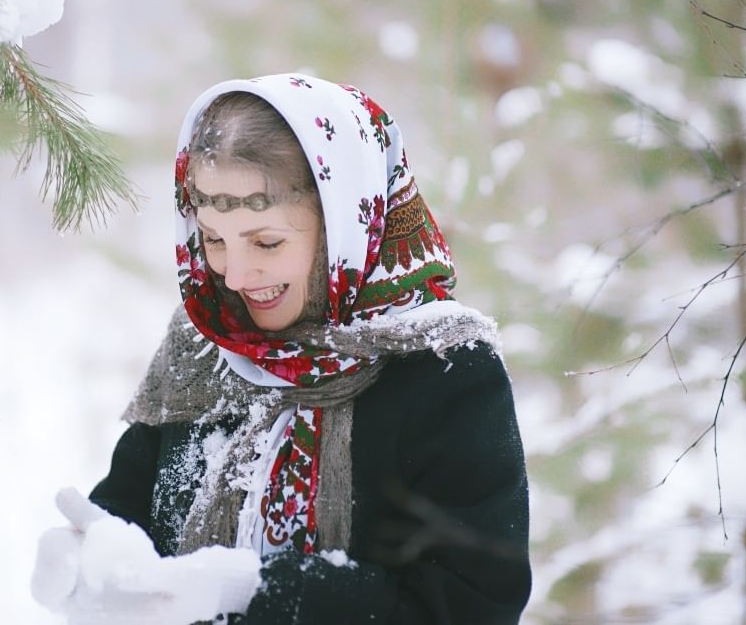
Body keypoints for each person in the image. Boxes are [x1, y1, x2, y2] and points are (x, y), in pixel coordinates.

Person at [31, 73, 531, 624]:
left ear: (344, 226)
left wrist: (256, 592)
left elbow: (469, 606)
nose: (236, 276)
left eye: (266, 242)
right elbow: (131, 506)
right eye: (214, 239)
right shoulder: (205, 345)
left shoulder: (444, 371)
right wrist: (93, 555)